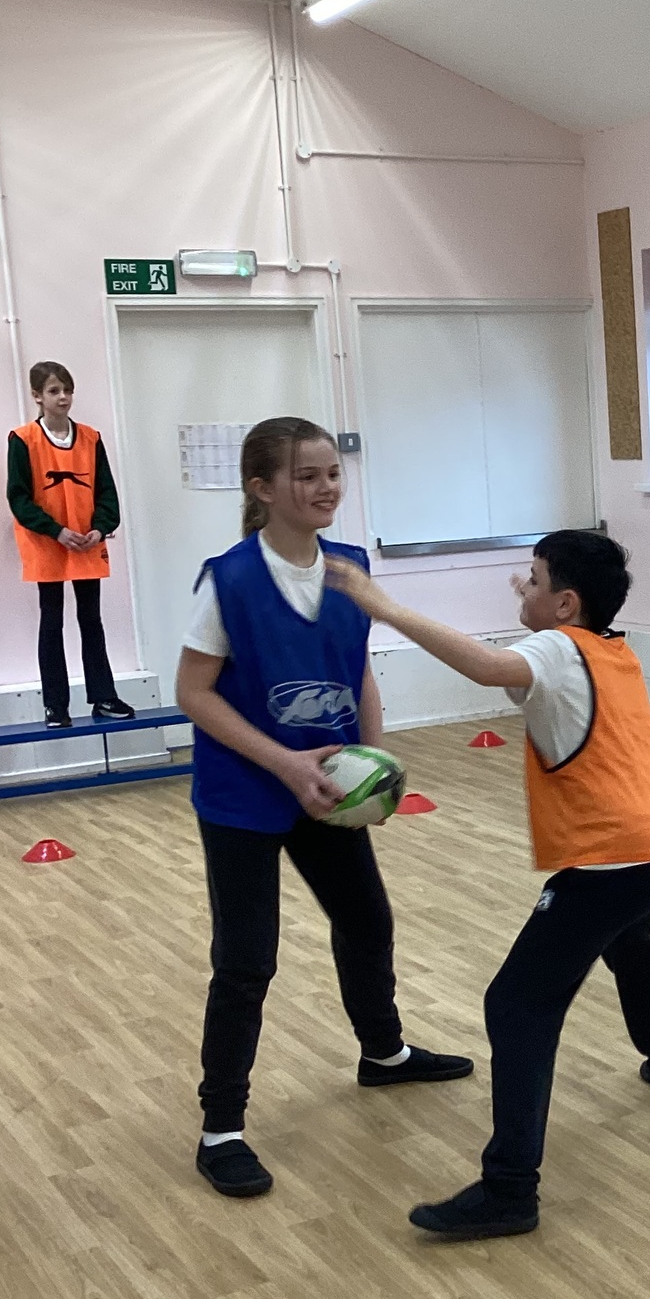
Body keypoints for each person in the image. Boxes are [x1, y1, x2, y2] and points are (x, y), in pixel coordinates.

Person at [325, 529, 650, 1241]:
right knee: (630, 944)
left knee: (516, 1003)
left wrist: (384, 606)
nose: (520, 586)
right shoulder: (611, 651)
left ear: (566, 604)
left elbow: (487, 666)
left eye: (531, 578)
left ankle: (509, 1191)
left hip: (612, 863)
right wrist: (535, 605)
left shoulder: (558, 648)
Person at [175, 416, 472, 1199]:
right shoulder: (228, 580)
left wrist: (374, 761)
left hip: (330, 788)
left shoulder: (351, 571)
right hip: (244, 796)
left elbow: (357, 671)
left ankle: (384, 1054)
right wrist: (283, 763)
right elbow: (193, 693)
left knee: (368, 922)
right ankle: (221, 1128)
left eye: (332, 473)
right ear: (262, 488)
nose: (326, 487)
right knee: (247, 960)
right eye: (306, 476)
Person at [6, 360, 135, 727]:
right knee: (51, 621)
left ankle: (103, 696)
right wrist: (56, 531)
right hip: (47, 542)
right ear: (37, 396)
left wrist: (100, 528)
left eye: (67, 390)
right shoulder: (23, 439)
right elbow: (18, 497)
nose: (63, 397)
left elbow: (106, 491)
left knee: (91, 619)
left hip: (86, 541)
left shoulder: (91, 438)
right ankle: (55, 705)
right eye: (54, 391)